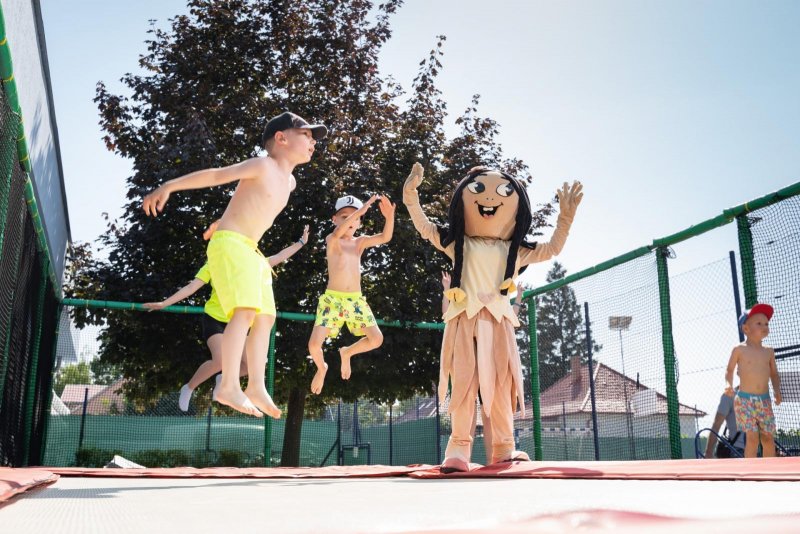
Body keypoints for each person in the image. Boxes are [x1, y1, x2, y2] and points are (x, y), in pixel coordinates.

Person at [142, 111, 327, 417]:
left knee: (266, 317)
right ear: (281, 138)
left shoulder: (290, 182)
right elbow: (217, 175)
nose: (312, 142)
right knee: (245, 311)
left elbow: (250, 203)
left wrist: (223, 217)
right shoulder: (262, 164)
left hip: (251, 250)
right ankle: (228, 385)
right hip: (230, 243)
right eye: (305, 135)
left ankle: (255, 385)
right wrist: (170, 185)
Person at [404, 162, 582, 472]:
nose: (489, 200)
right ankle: (458, 449)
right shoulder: (459, 245)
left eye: (502, 193)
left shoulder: (515, 251)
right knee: (463, 385)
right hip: (464, 323)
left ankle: (504, 447)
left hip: (499, 325)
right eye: (478, 191)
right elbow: (426, 228)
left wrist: (566, 217)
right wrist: (410, 196)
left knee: (501, 388)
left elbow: (552, 248)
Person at [144, 225, 310, 412]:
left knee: (252, 365)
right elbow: (191, 287)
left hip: (238, 320)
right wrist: (165, 303)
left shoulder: (252, 262)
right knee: (221, 360)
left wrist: (301, 243)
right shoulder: (214, 263)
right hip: (216, 319)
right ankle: (189, 387)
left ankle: (224, 380)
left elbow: (278, 257)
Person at [308, 194, 395, 394]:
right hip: (333, 300)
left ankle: (347, 352)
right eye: (344, 215)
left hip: (355, 300)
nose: (350, 219)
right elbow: (338, 232)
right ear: (335, 219)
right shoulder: (332, 239)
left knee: (376, 339)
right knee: (314, 345)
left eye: (355, 217)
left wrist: (389, 217)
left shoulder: (359, 243)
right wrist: (361, 209)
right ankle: (322, 367)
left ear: (359, 223)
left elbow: (385, 237)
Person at [724, 303, 782, 458]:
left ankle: (769, 471)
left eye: (766, 324)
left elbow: (774, 374)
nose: (764, 326)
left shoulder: (769, 351)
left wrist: (777, 390)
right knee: (752, 438)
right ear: (746, 329)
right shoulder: (739, 349)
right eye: (759, 323)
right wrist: (728, 384)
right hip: (744, 400)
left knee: (768, 438)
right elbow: (729, 370)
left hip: (764, 400)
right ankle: (752, 471)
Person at [704, 385, 745, 458]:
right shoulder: (729, 396)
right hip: (737, 451)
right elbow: (716, 425)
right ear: (739, 373)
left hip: (758, 450)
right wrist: (708, 453)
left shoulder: (761, 395)